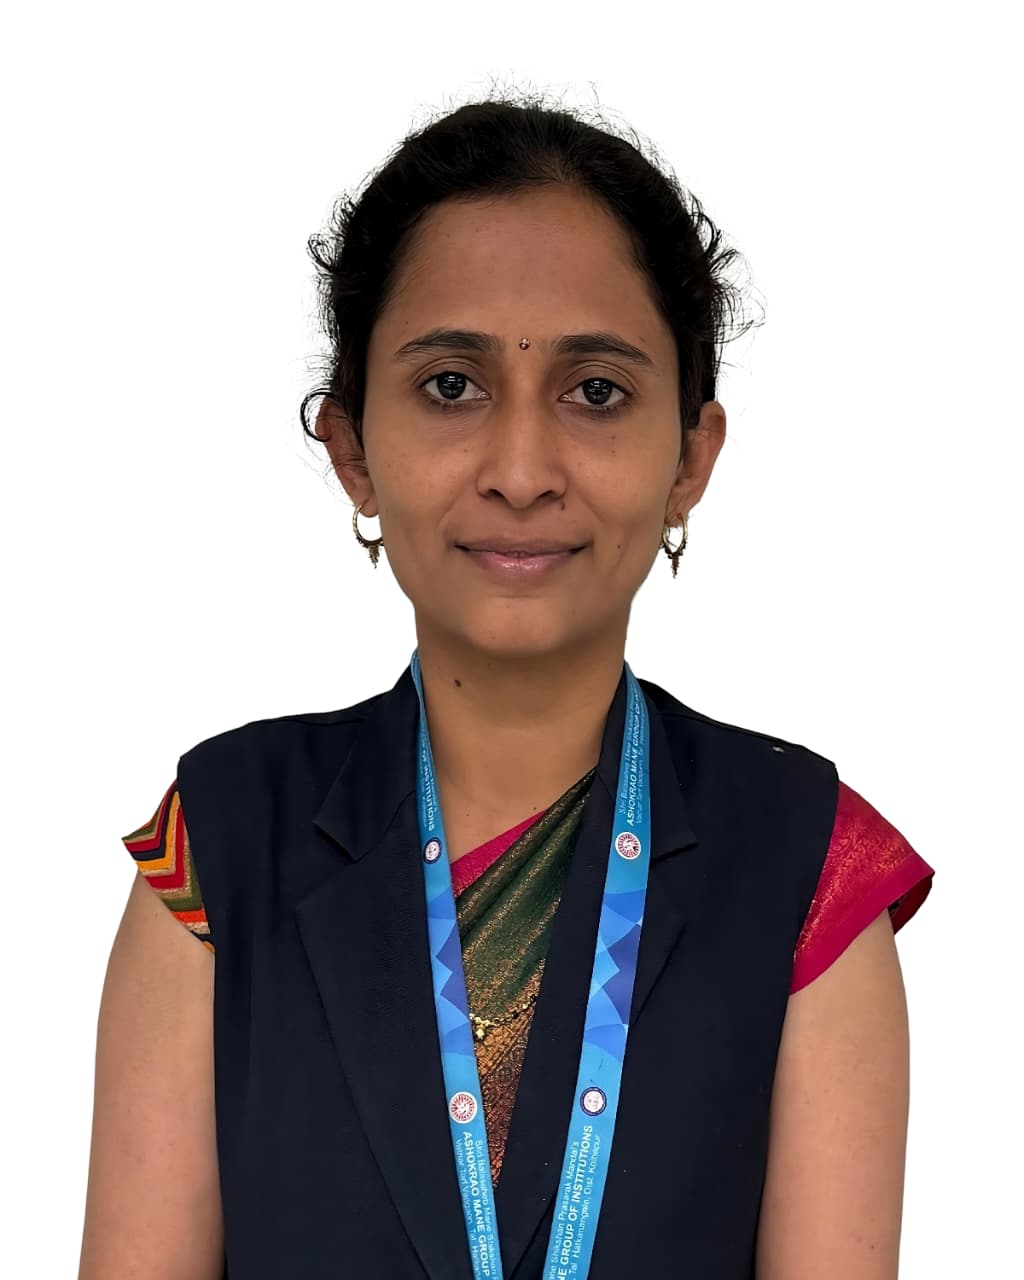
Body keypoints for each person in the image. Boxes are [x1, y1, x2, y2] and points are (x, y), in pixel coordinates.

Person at [79, 94, 935, 1280]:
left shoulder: (807, 869)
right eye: (450, 385)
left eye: (596, 391)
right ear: (351, 449)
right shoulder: (221, 852)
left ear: (689, 457)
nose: (522, 471)